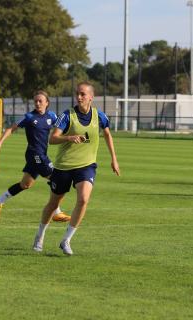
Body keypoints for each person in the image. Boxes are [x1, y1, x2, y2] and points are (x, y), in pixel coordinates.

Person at [32, 81, 120, 256]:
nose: (79, 97)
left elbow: (107, 135)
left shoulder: (100, 116)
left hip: (86, 166)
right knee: (53, 204)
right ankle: (40, 236)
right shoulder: (67, 115)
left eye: (82, 94)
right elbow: (53, 138)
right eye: (77, 94)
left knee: (84, 199)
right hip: (64, 167)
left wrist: (114, 159)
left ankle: (66, 240)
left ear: (91, 97)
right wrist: (69, 137)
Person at [0, 90, 70, 222]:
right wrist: (0, 142)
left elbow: (63, 128)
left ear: (47, 103)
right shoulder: (29, 117)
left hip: (41, 154)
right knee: (56, 177)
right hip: (34, 154)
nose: (38, 104)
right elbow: (12, 128)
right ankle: (56, 212)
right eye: (35, 101)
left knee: (25, 184)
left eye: (40, 101)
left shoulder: (52, 116)